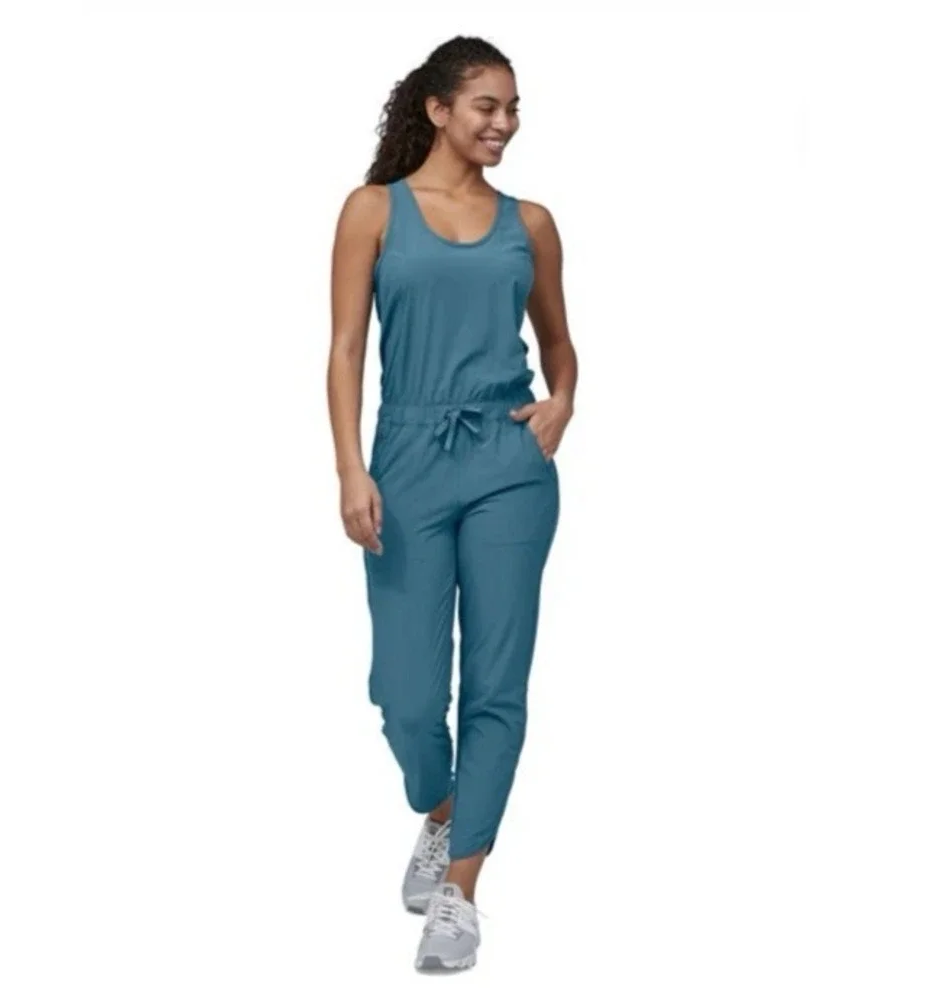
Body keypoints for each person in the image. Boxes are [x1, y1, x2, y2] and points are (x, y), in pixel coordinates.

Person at [327, 35, 578, 972]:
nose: (504, 124)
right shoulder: (372, 211)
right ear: (438, 109)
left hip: (509, 462)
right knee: (405, 692)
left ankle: (461, 892)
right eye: (487, 106)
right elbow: (346, 348)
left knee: (497, 684)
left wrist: (561, 403)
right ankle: (441, 810)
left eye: (513, 110)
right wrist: (350, 469)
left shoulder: (531, 223)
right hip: (406, 458)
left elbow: (560, 344)